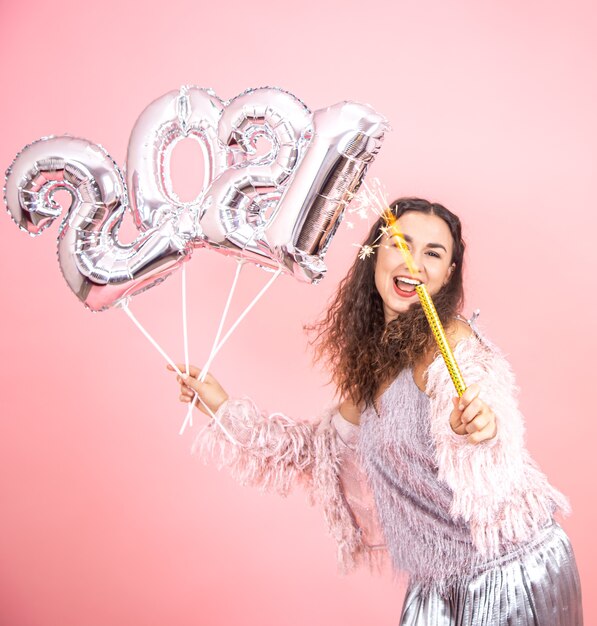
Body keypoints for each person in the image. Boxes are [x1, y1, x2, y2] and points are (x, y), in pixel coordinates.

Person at [169, 198, 583, 625]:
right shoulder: (373, 365)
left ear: (448, 274)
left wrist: (483, 425)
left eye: (433, 253)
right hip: (433, 582)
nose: (413, 263)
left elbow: (487, 400)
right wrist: (220, 406)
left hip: (508, 571)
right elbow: (318, 453)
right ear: (375, 254)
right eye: (399, 245)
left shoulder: (451, 340)